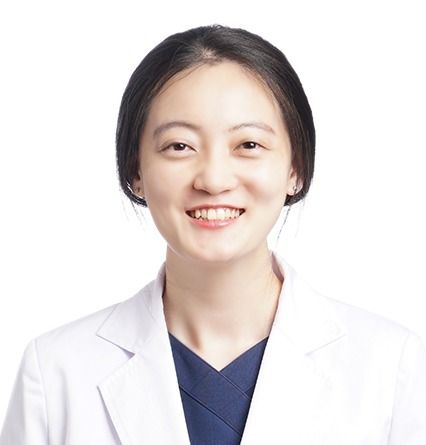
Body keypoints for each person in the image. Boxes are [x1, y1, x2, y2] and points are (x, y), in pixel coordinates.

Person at [1, 24, 425, 445]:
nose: (214, 179)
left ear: (295, 168)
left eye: (249, 145)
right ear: (136, 172)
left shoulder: (391, 368)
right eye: (179, 146)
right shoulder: (55, 373)